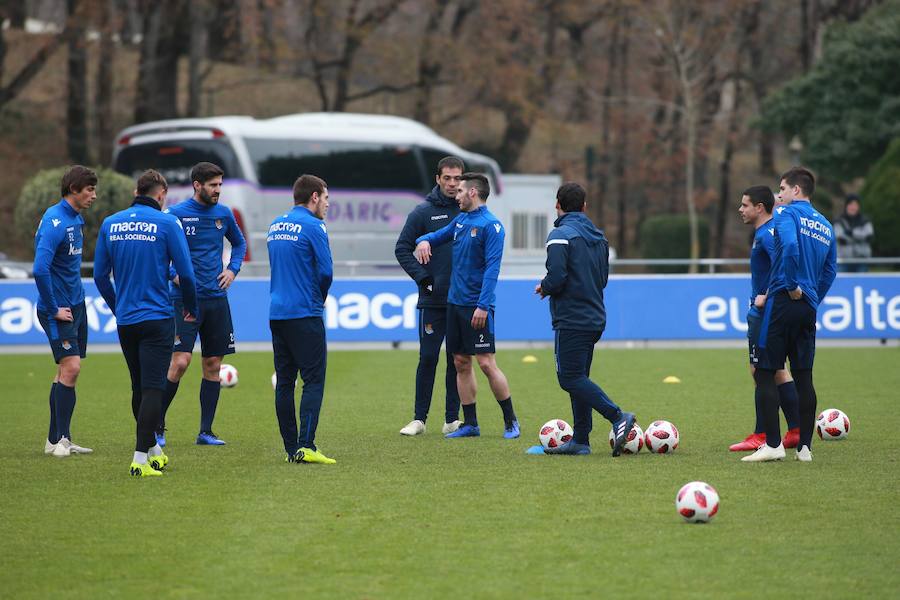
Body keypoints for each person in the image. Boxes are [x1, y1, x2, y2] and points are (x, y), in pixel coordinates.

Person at [93, 170, 199, 477]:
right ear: (161, 193)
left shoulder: (111, 223)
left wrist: (118, 307)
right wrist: (191, 308)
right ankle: (140, 459)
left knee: (138, 387)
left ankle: (153, 449)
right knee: (153, 389)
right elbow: (187, 274)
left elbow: (100, 276)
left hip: (127, 320)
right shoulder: (167, 223)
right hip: (157, 317)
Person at [528, 182, 635, 456]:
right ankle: (581, 440)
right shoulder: (599, 237)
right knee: (580, 377)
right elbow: (603, 279)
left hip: (571, 318)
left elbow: (557, 277)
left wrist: (545, 286)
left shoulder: (559, 235)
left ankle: (617, 416)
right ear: (584, 206)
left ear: (557, 205)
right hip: (595, 316)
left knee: (569, 378)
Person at [414, 173, 519, 439]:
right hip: (454, 305)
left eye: (460, 190)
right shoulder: (461, 221)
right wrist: (423, 240)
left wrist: (483, 306)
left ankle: (511, 421)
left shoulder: (491, 226)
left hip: (478, 307)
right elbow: (436, 236)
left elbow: (492, 269)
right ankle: (471, 424)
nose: (455, 195)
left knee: (486, 363)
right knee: (461, 362)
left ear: (473, 192)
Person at [743, 167, 837, 463]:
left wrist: (793, 285)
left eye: (782, 189)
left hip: (783, 301)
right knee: (804, 375)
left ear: (796, 190)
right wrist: (812, 298)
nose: (778, 195)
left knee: (765, 371)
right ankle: (805, 448)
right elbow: (830, 270)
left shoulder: (785, 215)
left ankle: (772, 444)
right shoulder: (825, 225)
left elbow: (791, 246)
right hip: (807, 307)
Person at [156, 162, 247, 447]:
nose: (218, 190)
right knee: (180, 362)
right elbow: (160, 253)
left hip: (216, 300)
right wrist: (174, 276)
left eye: (220, 185)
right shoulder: (175, 215)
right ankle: (156, 426)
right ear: (197, 185)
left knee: (213, 364)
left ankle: (205, 432)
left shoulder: (224, 214)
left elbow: (240, 244)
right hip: (184, 301)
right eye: (213, 185)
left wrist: (232, 269)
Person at [268, 174, 336, 464]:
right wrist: (318, 298)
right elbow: (326, 273)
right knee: (313, 380)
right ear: (314, 197)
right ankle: (306, 445)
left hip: (277, 311)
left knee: (285, 382)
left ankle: (290, 448)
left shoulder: (275, 225)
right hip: (304, 312)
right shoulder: (314, 226)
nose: (328, 205)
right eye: (326, 198)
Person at [395, 156, 463, 436]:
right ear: (437, 179)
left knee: (457, 360)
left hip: (461, 300)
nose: (452, 183)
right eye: (447, 178)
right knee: (428, 358)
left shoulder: (469, 211)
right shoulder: (422, 212)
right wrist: (424, 278)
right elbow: (401, 248)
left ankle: (451, 419)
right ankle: (419, 419)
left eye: (457, 178)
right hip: (433, 301)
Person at [33, 165, 97, 458]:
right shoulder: (54, 221)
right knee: (71, 368)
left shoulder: (76, 218)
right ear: (74, 190)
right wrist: (52, 307)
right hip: (58, 308)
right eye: (89, 190)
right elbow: (40, 269)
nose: (93, 195)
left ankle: (57, 440)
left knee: (65, 371)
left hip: (75, 303)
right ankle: (60, 439)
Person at [731, 186, 801, 452]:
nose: (741, 209)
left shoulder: (768, 234)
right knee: (777, 369)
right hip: (773, 311)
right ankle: (794, 430)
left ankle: (762, 434)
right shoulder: (768, 231)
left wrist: (766, 295)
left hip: (766, 311)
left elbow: (783, 267)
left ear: (760, 207)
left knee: (760, 369)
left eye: (745, 205)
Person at [834, 194, 874, 272]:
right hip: (844, 261)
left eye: (855, 205)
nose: (853, 207)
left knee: (862, 283)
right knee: (842, 283)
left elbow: (869, 235)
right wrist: (860, 237)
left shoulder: (865, 220)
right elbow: (840, 238)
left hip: (862, 260)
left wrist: (851, 233)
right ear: (846, 206)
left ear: (859, 207)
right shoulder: (839, 221)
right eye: (850, 205)